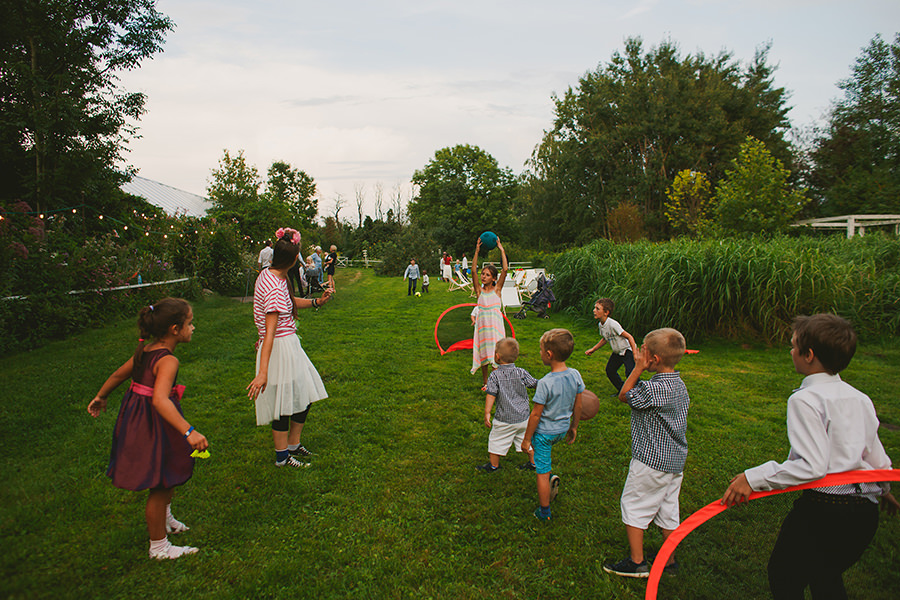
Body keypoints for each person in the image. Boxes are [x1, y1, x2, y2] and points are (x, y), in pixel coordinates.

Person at [721, 314, 899, 598]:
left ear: (809, 355)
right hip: (865, 512)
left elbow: (811, 467)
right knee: (825, 576)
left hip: (826, 510)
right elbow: (876, 455)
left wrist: (753, 478)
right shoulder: (860, 398)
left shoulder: (805, 399)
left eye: (793, 346)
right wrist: (883, 489)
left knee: (783, 575)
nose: (790, 351)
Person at [87, 297, 209, 560]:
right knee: (160, 482)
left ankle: (166, 518)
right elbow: (160, 400)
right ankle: (159, 547)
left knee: (169, 469)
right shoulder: (168, 360)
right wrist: (189, 431)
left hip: (142, 419)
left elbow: (119, 375)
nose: (193, 328)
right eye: (190, 323)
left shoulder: (146, 350)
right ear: (175, 329)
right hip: (153, 422)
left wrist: (101, 396)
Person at [604, 328, 689, 578]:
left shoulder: (652, 389)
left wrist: (637, 369)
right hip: (674, 461)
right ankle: (669, 562)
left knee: (634, 505)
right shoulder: (679, 385)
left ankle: (637, 562)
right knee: (668, 509)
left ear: (654, 359)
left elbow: (624, 395)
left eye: (642, 351)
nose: (639, 354)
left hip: (651, 461)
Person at [247, 227, 332, 468]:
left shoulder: (271, 275)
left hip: (288, 344)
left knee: (304, 394)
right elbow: (270, 332)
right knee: (284, 403)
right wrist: (263, 372)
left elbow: (289, 302)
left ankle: (293, 445)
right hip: (280, 348)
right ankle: (282, 457)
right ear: (295, 259)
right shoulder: (274, 286)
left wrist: (316, 302)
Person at [521, 328, 584, 521]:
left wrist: (527, 439)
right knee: (543, 462)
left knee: (541, 471)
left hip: (544, 434)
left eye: (541, 350)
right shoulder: (575, 375)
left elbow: (536, 414)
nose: (540, 353)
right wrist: (574, 427)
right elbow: (578, 404)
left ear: (549, 355)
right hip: (562, 430)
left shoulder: (545, 383)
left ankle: (544, 512)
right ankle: (550, 479)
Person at [477, 337, 538, 473]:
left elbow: (491, 394)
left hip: (504, 419)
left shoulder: (494, 376)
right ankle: (534, 463)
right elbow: (535, 384)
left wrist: (487, 412)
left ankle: (494, 466)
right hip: (523, 418)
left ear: (497, 356)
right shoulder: (521, 372)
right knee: (526, 440)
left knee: (495, 441)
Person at [470, 235, 508, 387]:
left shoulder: (497, 290)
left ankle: (495, 383)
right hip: (483, 326)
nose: (483, 277)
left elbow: (505, 269)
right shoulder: (479, 291)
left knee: (496, 354)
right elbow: (473, 271)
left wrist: (501, 250)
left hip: (496, 326)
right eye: (483, 274)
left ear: (493, 278)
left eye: (487, 275)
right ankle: (486, 382)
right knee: (484, 353)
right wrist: (477, 251)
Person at [585, 298, 637, 394]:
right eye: (594, 308)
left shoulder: (613, 324)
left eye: (597, 309)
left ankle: (639, 392)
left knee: (630, 374)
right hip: (617, 352)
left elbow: (629, 337)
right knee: (610, 371)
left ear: (606, 312)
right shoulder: (601, 325)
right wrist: (593, 349)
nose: (594, 310)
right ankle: (622, 390)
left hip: (627, 351)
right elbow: (605, 338)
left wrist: (635, 354)